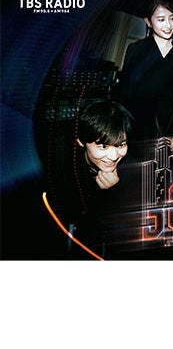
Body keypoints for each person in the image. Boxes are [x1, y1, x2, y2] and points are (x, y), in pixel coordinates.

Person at [46, 99, 133, 257]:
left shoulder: (130, 169)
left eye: (121, 145)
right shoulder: (63, 170)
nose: (113, 156)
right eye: (103, 146)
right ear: (81, 141)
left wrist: (113, 192)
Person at [115, 0, 173, 159]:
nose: (168, 25)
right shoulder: (137, 49)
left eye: (172, 18)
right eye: (161, 20)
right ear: (148, 22)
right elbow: (123, 91)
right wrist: (118, 127)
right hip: (134, 126)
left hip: (164, 129)